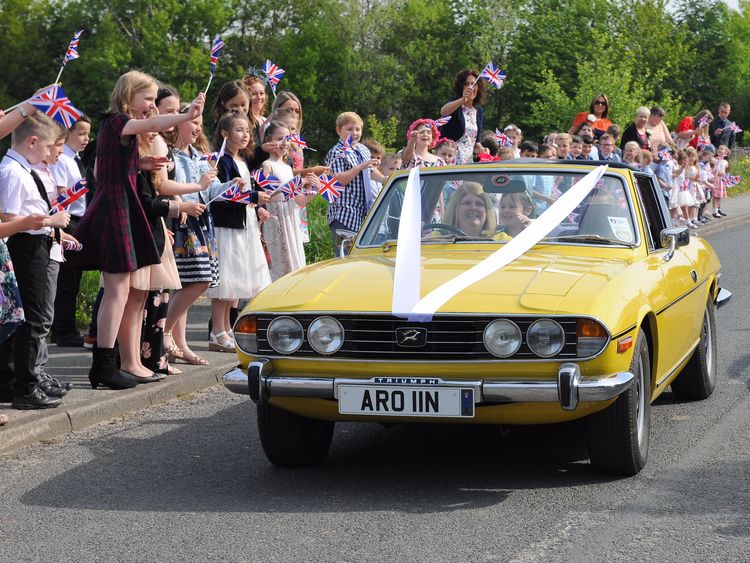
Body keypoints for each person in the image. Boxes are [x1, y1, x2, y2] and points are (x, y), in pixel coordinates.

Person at [74, 70, 205, 390]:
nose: (151, 105)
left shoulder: (122, 130)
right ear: (127, 95)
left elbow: (117, 166)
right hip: (114, 212)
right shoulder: (115, 121)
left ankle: (110, 364)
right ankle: (104, 365)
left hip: (123, 212)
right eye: (146, 98)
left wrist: (144, 166)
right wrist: (185, 115)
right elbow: (149, 125)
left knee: (122, 292)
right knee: (117, 292)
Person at [0, 112, 72, 409]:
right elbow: (9, 217)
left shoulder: (22, 168)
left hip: (35, 242)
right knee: (32, 317)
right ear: (32, 142)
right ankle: (25, 387)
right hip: (24, 245)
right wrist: (46, 221)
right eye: (46, 147)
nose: (48, 154)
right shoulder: (13, 172)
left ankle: (12, 382)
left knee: (29, 315)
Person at [207, 112, 271, 351]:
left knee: (236, 279)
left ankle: (226, 328)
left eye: (247, 130)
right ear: (225, 133)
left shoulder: (243, 161)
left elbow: (245, 194)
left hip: (244, 223)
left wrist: (257, 206)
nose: (245, 135)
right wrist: (252, 196)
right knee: (225, 278)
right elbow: (222, 195)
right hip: (227, 226)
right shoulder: (221, 161)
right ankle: (218, 330)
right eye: (239, 130)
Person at [164, 108, 221, 365]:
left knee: (191, 283)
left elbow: (209, 192)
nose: (197, 128)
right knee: (198, 281)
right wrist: (182, 202)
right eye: (192, 122)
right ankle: (164, 332)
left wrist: (232, 186)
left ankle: (180, 344)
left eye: (199, 123)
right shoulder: (171, 156)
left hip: (202, 222)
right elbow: (167, 185)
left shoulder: (199, 156)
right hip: (183, 222)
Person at [49, 115, 91, 347]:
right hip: (68, 219)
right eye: (81, 133)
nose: (86, 139)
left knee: (74, 279)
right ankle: (62, 329)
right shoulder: (62, 159)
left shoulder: (75, 159)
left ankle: (66, 326)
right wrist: (86, 187)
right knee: (66, 279)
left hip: (80, 220)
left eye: (87, 134)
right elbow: (60, 194)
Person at [324, 111, 379, 252]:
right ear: (338, 131)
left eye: (357, 129)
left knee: (361, 255)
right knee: (344, 256)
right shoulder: (336, 152)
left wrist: (385, 179)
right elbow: (338, 180)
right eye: (349, 129)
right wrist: (360, 167)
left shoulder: (363, 149)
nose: (354, 133)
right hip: (344, 214)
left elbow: (371, 171)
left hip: (363, 213)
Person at [438, 69, 486, 164]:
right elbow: (443, 112)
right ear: (461, 87)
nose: (470, 87)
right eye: (466, 84)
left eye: (474, 84)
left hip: (468, 162)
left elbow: (473, 140)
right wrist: (462, 100)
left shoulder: (479, 111)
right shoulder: (455, 105)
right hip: (451, 159)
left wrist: (480, 148)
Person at [712, 144, 730, 217]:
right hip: (716, 179)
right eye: (719, 148)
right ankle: (715, 211)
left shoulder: (725, 162)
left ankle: (718, 210)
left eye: (722, 149)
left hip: (721, 180)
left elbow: (726, 171)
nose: (719, 149)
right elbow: (712, 169)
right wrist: (718, 171)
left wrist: (724, 174)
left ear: (725, 153)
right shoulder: (714, 159)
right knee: (715, 196)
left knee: (719, 196)